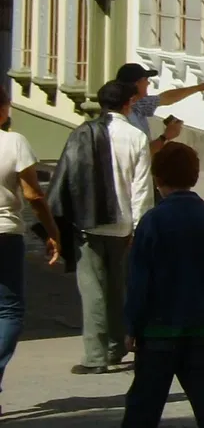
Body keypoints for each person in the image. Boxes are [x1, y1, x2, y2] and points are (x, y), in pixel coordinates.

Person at [102, 142, 204, 428]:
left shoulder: (153, 221)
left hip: (159, 331)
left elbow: (140, 280)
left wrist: (132, 325)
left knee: (144, 406)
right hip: (202, 328)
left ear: (157, 177)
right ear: (193, 176)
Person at [49, 80, 152, 374]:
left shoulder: (81, 133)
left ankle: (95, 355)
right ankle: (116, 346)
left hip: (89, 222)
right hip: (123, 224)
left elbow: (66, 178)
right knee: (118, 287)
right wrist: (139, 226)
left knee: (93, 288)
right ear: (128, 103)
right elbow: (141, 187)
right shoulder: (136, 137)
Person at [1, 80, 62, 412]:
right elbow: (34, 194)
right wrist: (52, 231)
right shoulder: (14, 142)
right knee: (8, 309)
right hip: (5, 233)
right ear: (3, 110)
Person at [115, 63, 204, 154]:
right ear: (136, 84)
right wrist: (166, 136)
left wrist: (200, 87)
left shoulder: (138, 103)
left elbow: (166, 98)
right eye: (145, 79)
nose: (148, 83)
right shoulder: (125, 115)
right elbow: (144, 154)